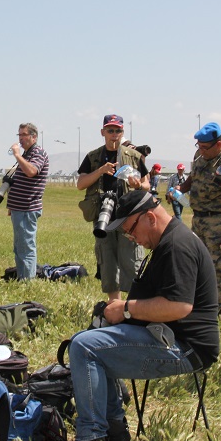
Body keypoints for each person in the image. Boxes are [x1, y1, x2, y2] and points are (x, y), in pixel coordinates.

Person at [67, 190, 220, 441]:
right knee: (87, 340)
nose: (132, 239)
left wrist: (126, 309)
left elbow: (179, 307)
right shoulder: (167, 241)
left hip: (185, 348)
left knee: (85, 347)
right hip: (169, 337)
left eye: (131, 230)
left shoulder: (176, 246)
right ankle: (114, 431)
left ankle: (91, 438)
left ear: (149, 217)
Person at [178, 122, 221, 317]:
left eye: (204, 147)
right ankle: (200, 307)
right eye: (198, 146)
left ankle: (220, 310)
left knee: (218, 269)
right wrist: (181, 189)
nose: (200, 151)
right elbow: (193, 177)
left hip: (219, 224)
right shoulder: (201, 155)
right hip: (198, 220)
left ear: (218, 145)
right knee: (196, 265)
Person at [77, 114, 148, 302]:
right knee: (107, 260)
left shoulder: (134, 157)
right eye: (110, 130)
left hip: (129, 217)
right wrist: (100, 170)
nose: (114, 134)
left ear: (122, 133)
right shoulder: (93, 157)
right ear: (103, 132)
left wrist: (137, 185)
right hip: (103, 216)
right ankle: (114, 304)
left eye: (118, 131)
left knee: (132, 259)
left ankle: (132, 305)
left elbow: (147, 185)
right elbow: (81, 184)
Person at [6, 122, 49, 280]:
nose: (21, 138)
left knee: (26, 246)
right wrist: (11, 205)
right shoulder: (27, 153)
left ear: (34, 137)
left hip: (28, 208)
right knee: (19, 246)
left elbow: (31, 171)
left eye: (24, 135)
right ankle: (21, 277)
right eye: (19, 135)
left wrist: (17, 155)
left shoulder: (38, 153)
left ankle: (27, 281)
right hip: (19, 207)